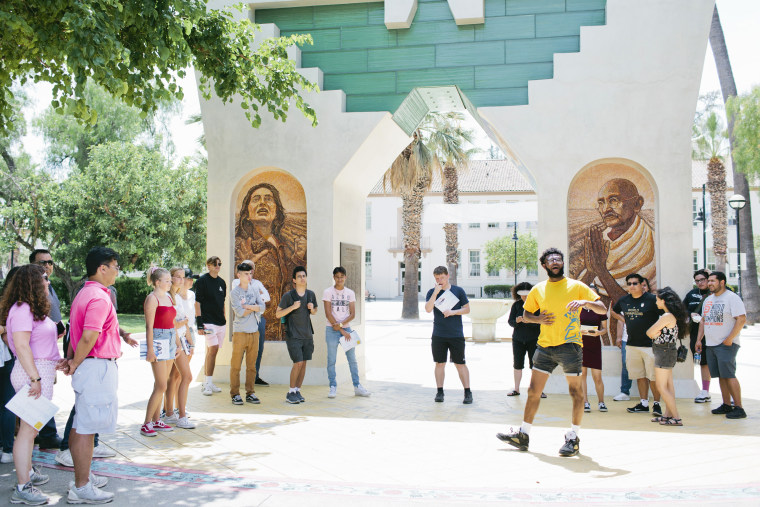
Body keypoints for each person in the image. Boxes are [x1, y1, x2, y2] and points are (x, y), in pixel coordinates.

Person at [497, 248, 606, 457]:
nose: (555, 261)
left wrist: (585, 303)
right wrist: (538, 319)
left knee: (576, 393)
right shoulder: (538, 289)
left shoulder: (577, 286)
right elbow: (527, 314)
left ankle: (573, 437)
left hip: (570, 346)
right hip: (544, 347)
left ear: (563, 263)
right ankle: (523, 435)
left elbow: (601, 308)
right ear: (545, 265)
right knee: (533, 392)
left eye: (558, 258)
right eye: (550, 259)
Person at [57, 246, 120, 504]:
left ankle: (84, 477)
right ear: (101, 268)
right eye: (115, 266)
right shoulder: (99, 297)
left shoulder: (84, 292)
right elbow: (88, 336)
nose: (117, 271)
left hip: (89, 365)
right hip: (96, 366)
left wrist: (73, 359)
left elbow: (76, 332)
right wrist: (74, 362)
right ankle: (81, 487)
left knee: (80, 424)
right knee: (85, 428)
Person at [0, 264, 59, 504]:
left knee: (29, 431)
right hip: (31, 374)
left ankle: (26, 477)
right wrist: (35, 378)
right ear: (33, 283)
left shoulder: (28, 308)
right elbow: (21, 346)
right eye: (44, 278)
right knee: (26, 433)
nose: (47, 282)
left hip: (38, 371)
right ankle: (23, 488)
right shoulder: (23, 308)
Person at [235, 183, 306, 340]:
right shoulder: (242, 245)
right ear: (246, 213)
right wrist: (244, 266)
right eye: (256, 199)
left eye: (268, 199)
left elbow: (287, 282)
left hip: (282, 327)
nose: (262, 203)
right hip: (258, 325)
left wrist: (297, 258)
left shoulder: (282, 245)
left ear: (277, 211)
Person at [579, 178, 656, 305]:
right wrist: (591, 271)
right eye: (601, 203)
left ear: (637, 204)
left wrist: (601, 271)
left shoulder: (650, 243)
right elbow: (577, 293)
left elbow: (631, 306)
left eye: (613, 201)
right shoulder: (600, 241)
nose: (605, 209)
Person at [698, 271, 747, 419]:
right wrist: (699, 339)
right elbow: (703, 320)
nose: (710, 283)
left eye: (713, 281)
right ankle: (726, 404)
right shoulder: (708, 300)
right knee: (720, 375)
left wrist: (729, 339)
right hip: (711, 344)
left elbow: (741, 319)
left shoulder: (732, 298)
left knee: (729, 374)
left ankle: (739, 407)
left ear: (722, 282)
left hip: (726, 344)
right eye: (709, 281)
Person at [612, 273, 663, 415]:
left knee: (652, 376)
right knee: (640, 375)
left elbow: (665, 314)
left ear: (642, 285)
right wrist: (624, 320)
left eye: (635, 283)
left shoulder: (652, 299)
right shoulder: (624, 300)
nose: (632, 286)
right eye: (629, 284)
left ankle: (657, 404)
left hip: (651, 346)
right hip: (632, 345)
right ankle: (643, 403)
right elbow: (613, 311)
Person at [424, 265, 472, 404]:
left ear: (448, 276)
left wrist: (453, 312)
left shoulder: (458, 291)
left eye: (442, 278)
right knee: (440, 363)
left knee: (460, 364)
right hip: (439, 334)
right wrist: (435, 293)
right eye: (437, 278)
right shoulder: (432, 292)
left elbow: (467, 309)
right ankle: (440, 392)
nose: (440, 280)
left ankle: (467, 392)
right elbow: (427, 309)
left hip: (456, 334)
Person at [141, 268, 180, 437]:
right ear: (158, 282)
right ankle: (146, 423)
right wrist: (150, 349)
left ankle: (157, 420)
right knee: (162, 385)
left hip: (170, 339)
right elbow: (149, 326)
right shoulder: (152, 298)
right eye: (167, 280)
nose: (170, 283)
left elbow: (172, 323)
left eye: (170, 280)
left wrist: (178, 344)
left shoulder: (169, 297)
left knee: (160, 383)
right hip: (158, 340)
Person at [322, 266, 370, 398]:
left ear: (345, 277)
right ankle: (333, 386)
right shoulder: (328, 292)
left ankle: (357, 386)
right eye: (337, 277)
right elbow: (327, 313)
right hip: (331, 329)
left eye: (342, 277)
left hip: (346, 330)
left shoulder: (350, 293)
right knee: (331, 360)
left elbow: (353, 314)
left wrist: (342, 327)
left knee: (352, 359)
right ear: (334, 277)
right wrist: (338, 327)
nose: (339, 279)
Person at [276, 266, 317, 404]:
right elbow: (278, 314)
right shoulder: (289, 296)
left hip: (307, 335)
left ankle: (297, 391)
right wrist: (292, 307)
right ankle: (290, 392)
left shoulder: (310, 294)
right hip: (293, 335)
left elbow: (315, 311)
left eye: (304, 276)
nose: (302, 278)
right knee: (297, 363)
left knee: (303, 364)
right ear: (294, 279)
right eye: (299, 276)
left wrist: (312, 309)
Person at [646, 287, 687, 426]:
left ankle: (676, 417)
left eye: (657, 299)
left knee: (661, 386)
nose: (655, 301)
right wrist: (655, 333)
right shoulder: (670, 315)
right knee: (668, 386)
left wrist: (655, 333)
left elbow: (650, 332)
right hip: (667, 351)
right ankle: (668, 415)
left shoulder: (666, 316)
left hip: (663, 352)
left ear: (663, 301)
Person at [162, 267, 195, 429]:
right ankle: (180, 416)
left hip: (182, 340)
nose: (181, 280)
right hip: (174, 342)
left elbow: (186, 322)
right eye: (178, 277)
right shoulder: (167, 297)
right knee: (185, 377)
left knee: (177, 377)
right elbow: (173, 323)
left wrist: (191, 342)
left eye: (183, 277)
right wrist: (182, 323)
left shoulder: (177, 298)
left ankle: (170, 413)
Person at [231, 260, 271, 386]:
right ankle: (235, 391)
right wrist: (254, 306)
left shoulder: (256, 285)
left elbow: (265, 301)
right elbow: (239, 311)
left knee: (254, 358)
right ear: (239, 274)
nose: (250, 274)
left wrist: (249, 306)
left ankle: (252, 385)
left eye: (251, 271)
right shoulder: (235, 287)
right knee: (237, 362)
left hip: (256, 324)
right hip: (241, 329)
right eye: (247, 272)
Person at [195, 256, 227, 396]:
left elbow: (223, 302)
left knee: (212, 351)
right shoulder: (202, 281)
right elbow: (197, 303)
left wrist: (224, 318)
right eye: (214, 264)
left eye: (219, 263)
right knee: (212, 349)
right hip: (208, 322)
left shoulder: (222, 283)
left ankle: (208, 381)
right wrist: (199, 324)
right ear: (208, 266)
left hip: (221, 323)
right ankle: (206, 384)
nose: (217, 266)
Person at [506, 282, 540, 397]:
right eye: (522, 295)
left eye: (527, 295)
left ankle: (537, 390)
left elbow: (541, 323)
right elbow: (510, 322)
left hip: (533, 339)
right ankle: (516, 389)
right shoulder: (516, 305)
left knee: (534, 365)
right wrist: (517, 320)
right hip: (518, 340)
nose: (524, 297)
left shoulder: (537, 305)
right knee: (517, 364)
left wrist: (530, 321)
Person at [0, 267, 19, 465]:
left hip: (7, 357)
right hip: (7, 358)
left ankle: (5, 446)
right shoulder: (16, 305)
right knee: (8, 404)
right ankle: (7, 448)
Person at [684, 269, 711, 403]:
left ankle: (729, 392)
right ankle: (705, 391)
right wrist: (690, 315)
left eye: (703, 280)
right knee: (703, 362)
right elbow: (682, 309)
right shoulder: (692, 294)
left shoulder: (715, 293)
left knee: (721, 362)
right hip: (696, 333)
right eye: (697, 281)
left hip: (714, 333)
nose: (700, 283)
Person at [580, 284, 608, 413]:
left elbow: (604, 329)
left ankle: (601, 402)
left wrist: (599, 333)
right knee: (582, 375)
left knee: (597, 376)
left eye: (593, 293)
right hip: (580, 345)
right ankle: (585, 402)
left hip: (595, 345)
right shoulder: (579, 308)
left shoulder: (600, 309)